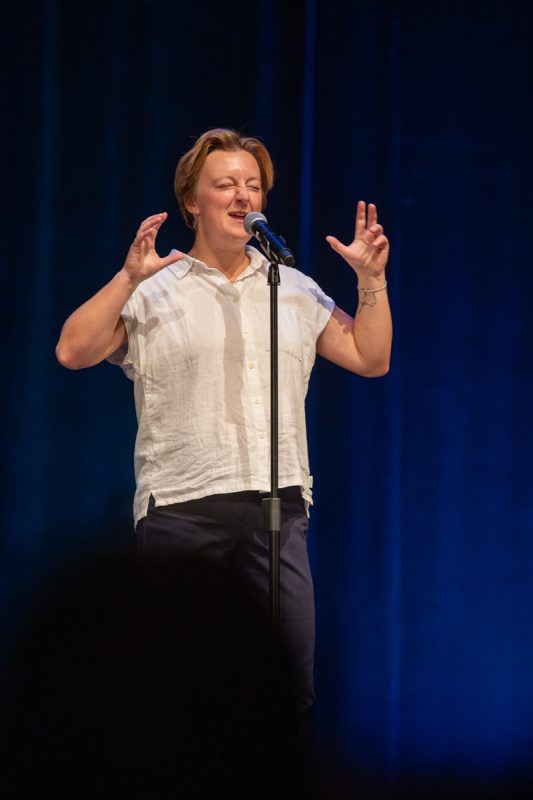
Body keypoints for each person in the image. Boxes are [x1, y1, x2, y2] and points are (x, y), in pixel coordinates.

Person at [56, 128, 392, 718]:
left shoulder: (293, 288)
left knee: (287, 690)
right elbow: (72, 350)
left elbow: (371, 357)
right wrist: (129, 277)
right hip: (183, 508)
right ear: (192, 201)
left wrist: (371, 280)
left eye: (253, 186)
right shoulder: (157, 289)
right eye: (226, 184)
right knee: (172, 690)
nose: (243, 196)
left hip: (278, 510)